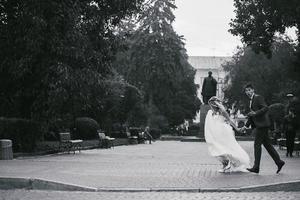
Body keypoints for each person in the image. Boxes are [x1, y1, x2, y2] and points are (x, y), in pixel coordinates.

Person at [241, 83, 285, 174]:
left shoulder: (258, 97)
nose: (248, 92)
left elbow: (265, 108)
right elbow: (251, 116)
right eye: (246, 91)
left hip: (262, 125)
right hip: (261, 125)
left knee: (257, 145)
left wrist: (256, 113)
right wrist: (245, 126)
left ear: (253, 90)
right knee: (268, 145)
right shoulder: (251, 100)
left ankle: (256, 167)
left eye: (249, 90)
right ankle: (279, 162)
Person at [204, 96, 250, 173]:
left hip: (223, 132)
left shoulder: (222, 111)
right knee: (216, 148)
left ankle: (226, 163)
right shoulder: (211, 113)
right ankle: (225, 163)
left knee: (225, 148)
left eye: (212, 104)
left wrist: (237, 128)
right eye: (210, 104)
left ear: (216, 104)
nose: (211, 106)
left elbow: (230, 120)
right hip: (216, 133)